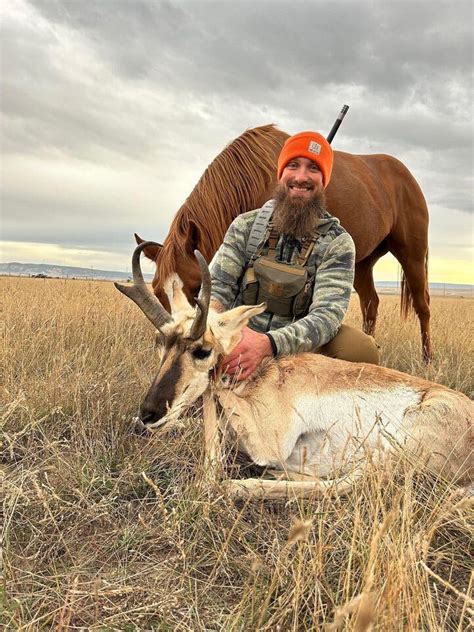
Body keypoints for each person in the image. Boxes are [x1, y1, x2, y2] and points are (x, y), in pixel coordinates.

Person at [209, 130, 380, 381]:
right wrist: (218, 331)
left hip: (298, 349)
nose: (301, 177)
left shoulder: (338, 243)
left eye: (313, 168)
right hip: (238, 337)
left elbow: (327, 316)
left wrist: (268, 344)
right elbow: (218, 289)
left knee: (360, 350)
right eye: (293, 165)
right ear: (281, 174)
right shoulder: (245, 227)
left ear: (324, 179)